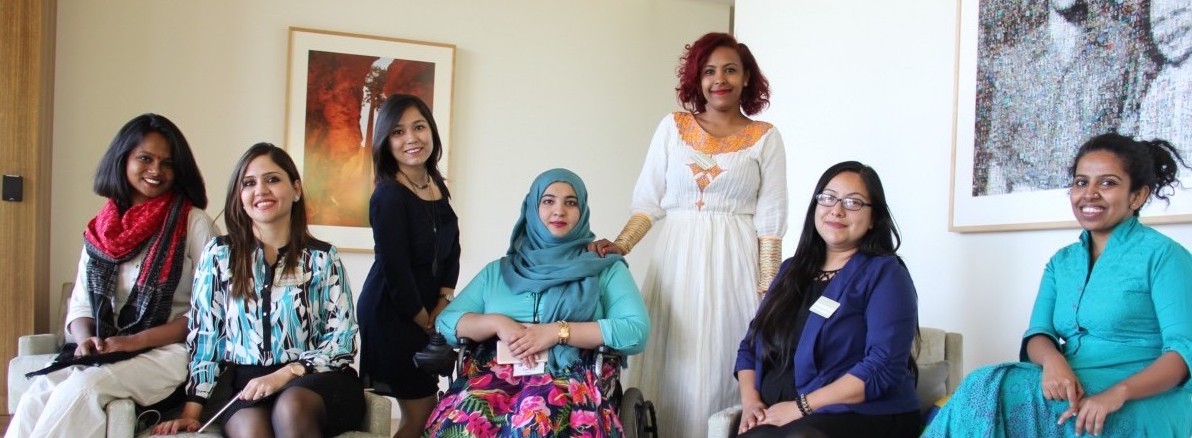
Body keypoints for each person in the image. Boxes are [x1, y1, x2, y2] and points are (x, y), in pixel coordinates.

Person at [923, 133, 1192, 437]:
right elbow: (1039, 333)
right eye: (1081, 182)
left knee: (999, 389)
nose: (1089, 194)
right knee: (984, 381)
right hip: (1072, 380)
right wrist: (1053, 362)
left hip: (1139, 394)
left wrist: (1118, 393)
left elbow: (1184, 352)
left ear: (1137, 196)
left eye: (1107, 183)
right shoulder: (1062, 262)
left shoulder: (1165, 256)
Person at [589, 31, 787, 436]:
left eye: (730, 70)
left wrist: (770, 293)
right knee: (672, 363)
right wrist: (621, 245)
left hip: (735, 266)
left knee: (724, 359)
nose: (720, 79)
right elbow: (648, 202)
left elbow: (771, 224)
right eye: (709, 71)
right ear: (697, 78)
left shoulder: (766, 137)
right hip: (676, 261)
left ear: (747, 77)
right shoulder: (673, 127)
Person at [6, 114, 214, 438]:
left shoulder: (194, 222)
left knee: (85, 388)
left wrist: (132, 342)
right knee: (37, 394)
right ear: (123, 160)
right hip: (106, 350)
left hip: (168, 354)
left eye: (167, 164)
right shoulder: (100, 229)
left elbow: (212, 313)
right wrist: (86, 339)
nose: (156, 170)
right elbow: (81, 304)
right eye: (145, 158)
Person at [152, 143, 364, 437]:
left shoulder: (323, 257)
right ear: (239, 197)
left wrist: (286, 373)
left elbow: (342, 341)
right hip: (248, 385)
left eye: (272, 179)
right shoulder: (219, 254)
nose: (261, 190)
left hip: (316, 381)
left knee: (291, 407)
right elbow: (206, 337)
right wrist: (191, 411)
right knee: (251, 431)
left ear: (296, 189)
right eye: (249, 183)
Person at [425, 168, 650, 437]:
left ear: (582, 211)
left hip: (571, 375)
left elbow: (635, 331)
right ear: (532, 208)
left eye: (570, 202)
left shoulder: (605, 268)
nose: (559, 211)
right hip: (492, 375)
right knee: (460, 425)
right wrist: (498, 323)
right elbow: (446, 322)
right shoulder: (498, 271)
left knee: (533, 422)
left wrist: (557, 332)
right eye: (548, 201)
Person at [734, 161, 921, 438]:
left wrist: (802, 407)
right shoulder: (790, 270)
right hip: (784, 416)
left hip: (866, 414)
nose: (837, 209)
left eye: (853, 202)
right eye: (828, 198)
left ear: (873, 218)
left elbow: (882, 365)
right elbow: (749, 347)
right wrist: (751, 403)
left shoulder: (886, 273)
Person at [357, 94, 460, 438]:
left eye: (419, 127)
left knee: (423, 417)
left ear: (431, 131)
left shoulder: (434, 184)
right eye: (398, 132)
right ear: (386, 142)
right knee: (421, 417)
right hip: (392, 313)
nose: (411, 138)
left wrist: (444, 299)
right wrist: (424, 319)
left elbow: (452, 247)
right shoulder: (388, 195)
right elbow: (395, 268)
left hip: (426, 311)